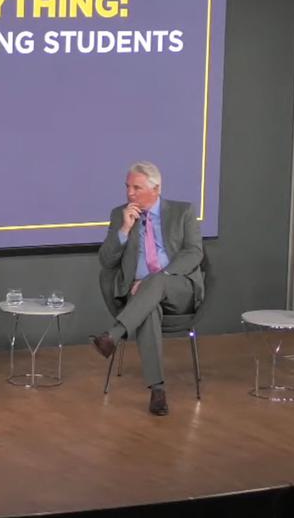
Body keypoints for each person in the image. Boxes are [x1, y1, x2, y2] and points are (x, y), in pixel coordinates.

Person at [93, 162, 204, 416]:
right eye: (127, 187)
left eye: (137, 187)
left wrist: (161, 276)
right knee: (148, 311)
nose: (130, 193)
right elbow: (106, 261)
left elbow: (194, 252)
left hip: (178, 289)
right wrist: (124, 230)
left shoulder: (182, 211)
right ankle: (158, 390)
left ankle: (113, 335)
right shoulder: (120, 214)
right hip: (139, 295)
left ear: (156, 188)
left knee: (155, 280)